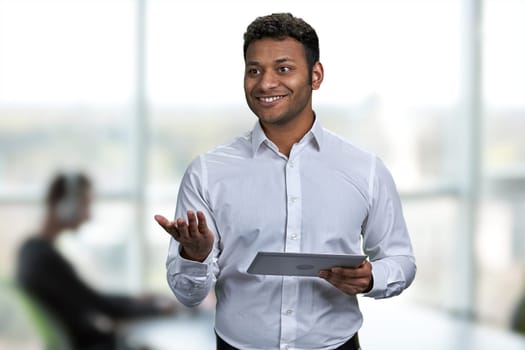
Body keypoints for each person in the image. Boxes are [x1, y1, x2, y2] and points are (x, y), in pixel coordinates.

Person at [155, 13, 416, 350]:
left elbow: (401, 260)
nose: (265, 83)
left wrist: (372, 278)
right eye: (254, 70)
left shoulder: (364, 169)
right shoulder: (207, 173)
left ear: (316, 75)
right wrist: (195, 255)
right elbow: (187, 294)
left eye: (283, 68)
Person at [17, 172, 176, 350]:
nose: (88, 215)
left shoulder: (30, 251)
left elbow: (88, 298)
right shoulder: (44, 258)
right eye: (85, 204)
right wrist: (159, 309)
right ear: (65, 205)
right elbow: (100, 305)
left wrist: (136, 300)